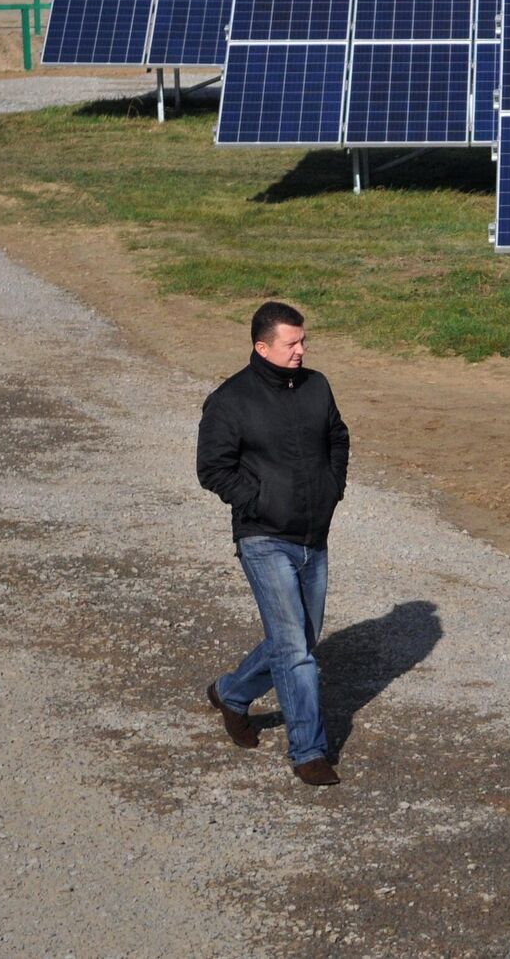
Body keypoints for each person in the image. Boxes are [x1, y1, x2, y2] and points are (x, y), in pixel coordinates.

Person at [196, 301, 350, 786]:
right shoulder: (230, 401)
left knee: (299, 640)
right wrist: (259, 503)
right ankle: (309, 751)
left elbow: (338, 437)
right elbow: (212, 468)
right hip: (263, 537)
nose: (302, 351)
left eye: (304, 341)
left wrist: (332, 488)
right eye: (292, 343)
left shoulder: (317, 386)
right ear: (262, 347)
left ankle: (231, 693)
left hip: (314, 534)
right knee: (296, 651)